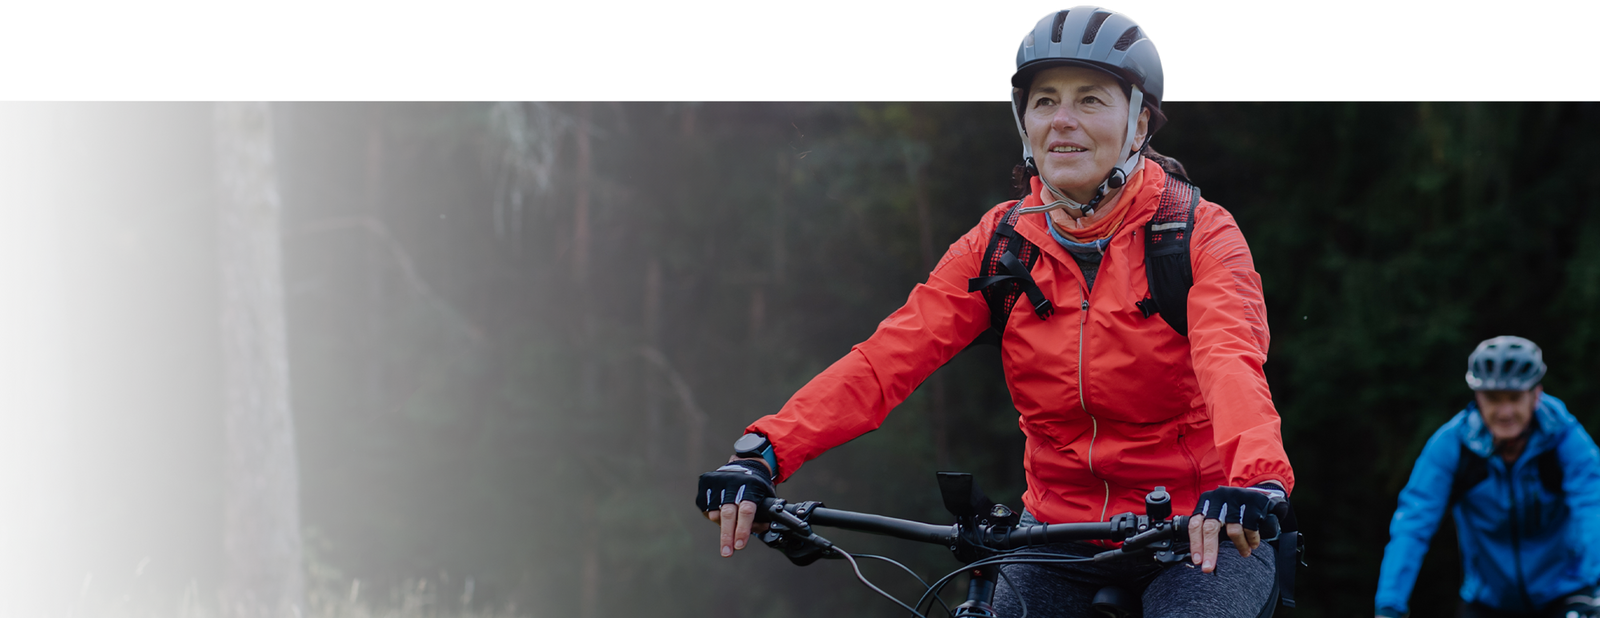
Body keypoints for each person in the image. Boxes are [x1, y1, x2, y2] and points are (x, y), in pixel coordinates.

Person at [696, 4, 1295, 616]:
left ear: (1139, 123)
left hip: (1200, 530)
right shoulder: (999, 245)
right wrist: (764, 452)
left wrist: (1253, 482)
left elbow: (1231, 362)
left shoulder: (1195, 235)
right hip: (1055, 538)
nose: (1063, 120)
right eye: (1045, 101)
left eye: (1091, 100)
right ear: (1024, 121)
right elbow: (886, 361)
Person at [1375, 336, 1600, 618]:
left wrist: (1596, 581)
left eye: (1515, 398)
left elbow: (1593, 508)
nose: (1505, 412)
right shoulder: (1452, 445)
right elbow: (1413, 524)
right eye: (1493, 398)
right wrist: (1389, 605)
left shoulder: (1566, 439)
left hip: (1566, 594)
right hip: (1486, 602)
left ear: (1536, 394)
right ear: (1477, 397)